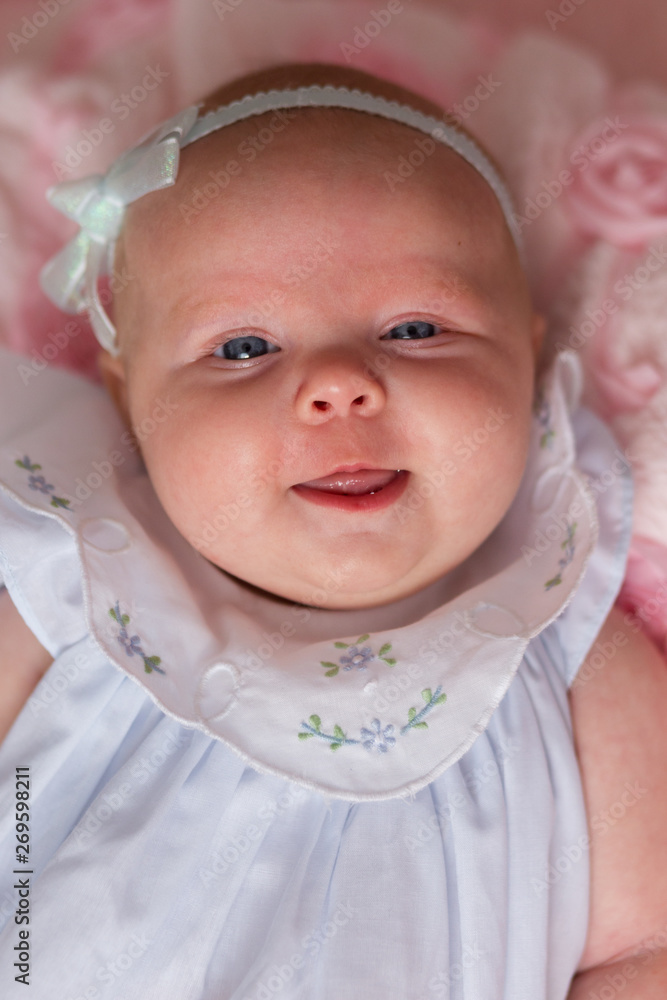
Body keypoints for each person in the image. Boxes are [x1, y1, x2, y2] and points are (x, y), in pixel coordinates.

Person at [0, 61, 666, 1000]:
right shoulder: (74, 589)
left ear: (525, 357)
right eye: (243, 348)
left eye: (416, 329)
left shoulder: (566, 633)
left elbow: (642, 952)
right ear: (133, 401)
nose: (337, 383)